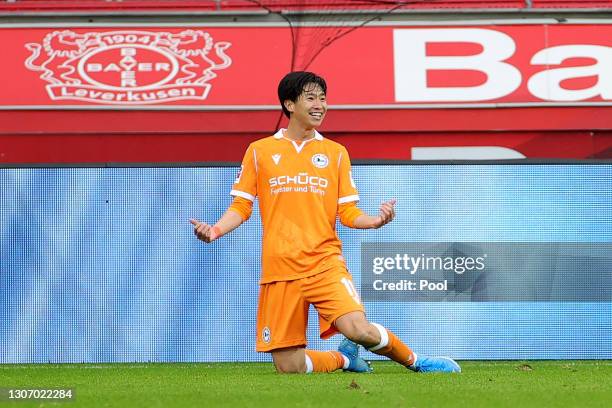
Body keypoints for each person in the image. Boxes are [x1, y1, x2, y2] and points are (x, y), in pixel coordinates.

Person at [190, 71, 461, 374]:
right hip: (280, 270)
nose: (320, 104)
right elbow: (242, 205)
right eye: (311, 97)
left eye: (323, 98)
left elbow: (347, 212)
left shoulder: (335, 153)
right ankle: (345, 359)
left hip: (324, 264)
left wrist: (373, 221)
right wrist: (215, 229)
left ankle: (416, 362)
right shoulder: (260, 151)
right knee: (288, 366)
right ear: (289, 104)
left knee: (358, 329)